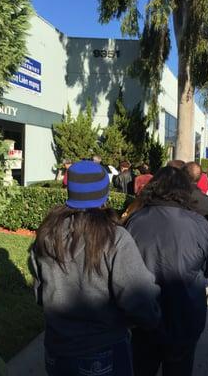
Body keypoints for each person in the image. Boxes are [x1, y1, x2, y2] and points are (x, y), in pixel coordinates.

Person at [31, 160, 161, 376]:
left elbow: (39, 292)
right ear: (104, 193)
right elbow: (139, 298)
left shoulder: (47, 233)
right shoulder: (115, 237)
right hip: (102, 352)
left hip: (56, 350)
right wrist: (151, 319)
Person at [126, 166, 208, 376]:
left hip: (144, 315)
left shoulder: (134, 221)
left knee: (141, 366)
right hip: (185, 314)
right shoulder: (199, 224)